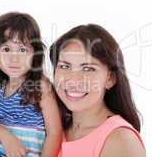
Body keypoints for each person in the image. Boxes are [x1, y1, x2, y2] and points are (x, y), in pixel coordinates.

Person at [49, 24, 146, 157]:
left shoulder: (120, 140)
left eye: (88, 69)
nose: (73, 80)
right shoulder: (52, 130)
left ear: (110, 78)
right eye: (65, 66)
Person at [0, 12, 62, 157]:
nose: (14, 59)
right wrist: (5, 137)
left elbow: (54, 132)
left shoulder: (40, 86)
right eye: (6, 49)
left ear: (35, 54)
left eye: (23, 50)